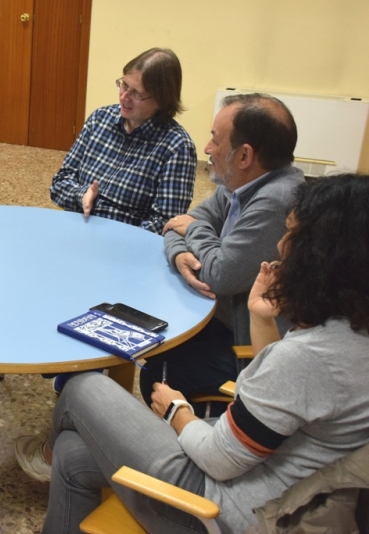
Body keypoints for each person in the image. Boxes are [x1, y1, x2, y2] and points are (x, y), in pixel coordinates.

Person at [37, 173, 369, 533]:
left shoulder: (309, 357)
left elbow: (218, 459)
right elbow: (284, 396)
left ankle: (46, 454)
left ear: (324, 255)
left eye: (292, 234)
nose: (281, 244)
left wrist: (177, 411)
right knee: (73, 455)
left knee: (84, 387)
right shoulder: (351, 333)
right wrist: (260, 318)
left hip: (217, 510)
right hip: (266, 481)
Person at [138, 93, 305, 415]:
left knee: (154, 375)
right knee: (148, 337)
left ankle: (189, 441)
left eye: (215, 140)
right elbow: (178, 225)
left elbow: (221, 273)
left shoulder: (275, 200)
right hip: (218, 315)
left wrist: (194, 233)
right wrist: (178, 254)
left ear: (244, 155)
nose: (207, 149)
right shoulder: (240, 183)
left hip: (248, 345)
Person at [49, 48, 197, 234]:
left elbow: (165, 224)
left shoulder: (177, 147)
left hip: (125, 247)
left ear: (161, 100)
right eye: (124, 85)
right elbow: (59, 182)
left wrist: (112, 236)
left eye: (136, 93)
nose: (124, 97)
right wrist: (82, 195)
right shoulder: (100, 119)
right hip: (78, 231)